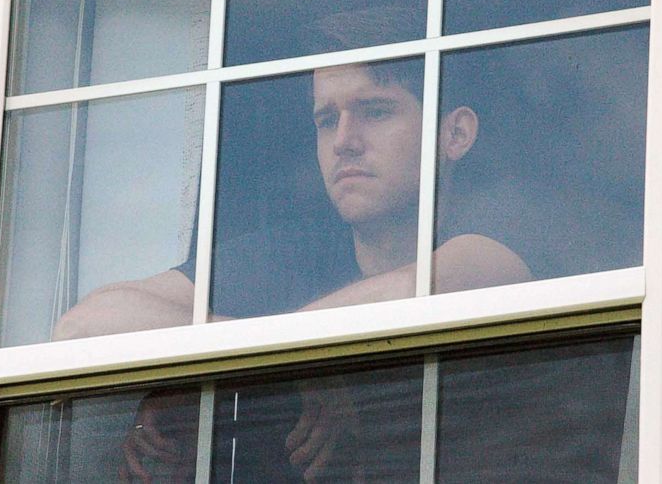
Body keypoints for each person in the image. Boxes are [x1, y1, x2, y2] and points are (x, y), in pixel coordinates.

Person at [55, 56, 531, 483]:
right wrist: (207, 368)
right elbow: (82, 328)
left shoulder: (505, 230)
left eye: (376, 111)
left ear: (456, 134)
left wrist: (264, 364)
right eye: (327, 120)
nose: (345, 141)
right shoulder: (286, 255)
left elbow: (414, 291)